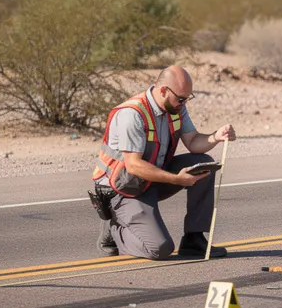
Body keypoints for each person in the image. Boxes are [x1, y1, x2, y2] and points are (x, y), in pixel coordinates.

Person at [90, 65, 237, 259]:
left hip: (149, 178)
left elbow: (193, 142)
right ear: (163, 91)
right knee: (159, 249)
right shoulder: (132, 114)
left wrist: (216, 136)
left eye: (187, 98)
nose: (184, 104)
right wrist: (176, 179)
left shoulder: (175, 107)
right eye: (181, 99)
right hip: (121, 188)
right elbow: (133, 165)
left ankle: (194, 239)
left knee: (203, 163)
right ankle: (114, 229)